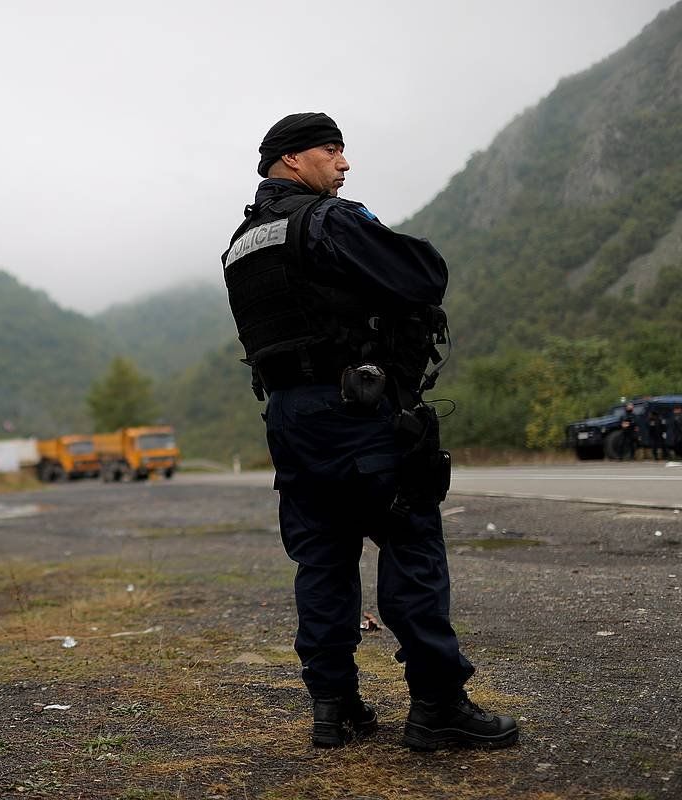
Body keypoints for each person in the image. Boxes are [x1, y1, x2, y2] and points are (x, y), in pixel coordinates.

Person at [221, 113, 518, 751]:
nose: (345, 164)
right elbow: (423, 273)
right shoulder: (329, 220)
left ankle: (335, 708)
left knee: (322, 561)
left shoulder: (241, 243)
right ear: (293, 160)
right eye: (333, 151)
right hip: (357, 410)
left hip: (289, 418)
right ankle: (437, 705)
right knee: (410, 545)